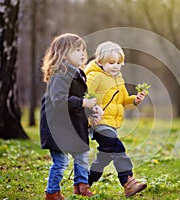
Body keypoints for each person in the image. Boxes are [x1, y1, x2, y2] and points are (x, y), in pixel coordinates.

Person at [40, 33, 102, 199]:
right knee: (61, 162)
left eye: (83, 50)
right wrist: (83, 103)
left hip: (75, 124)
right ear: (63, 53)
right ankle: (52, 192)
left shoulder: (79, 74)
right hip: (57, 127)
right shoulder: (60, 74)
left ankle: (81, 185)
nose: (82, 53)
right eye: (77, 50)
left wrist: (92, 112)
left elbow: (85, 100)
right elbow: (59, 99)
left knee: (81, 155)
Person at [85, 41, 147, 198]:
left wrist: (135, 100)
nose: (115, 66)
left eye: (119, 63)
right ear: (100, 62)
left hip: (112, 124)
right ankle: (128, 182)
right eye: (111, 63)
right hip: (99, 124)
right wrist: (90, 115)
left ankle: (85, 182)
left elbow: (124, 101)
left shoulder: (118, 79)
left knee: (105, 156)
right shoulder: (94, 77)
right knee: (118, 147)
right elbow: (85, 97)